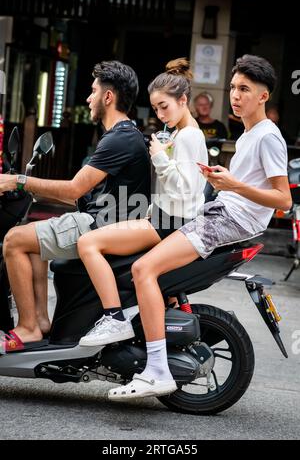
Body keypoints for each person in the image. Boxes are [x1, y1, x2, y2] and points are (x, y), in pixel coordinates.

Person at [106, 54, 292, 401]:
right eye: (233, 87)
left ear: (263, 96)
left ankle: (157, 370)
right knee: (149, 259)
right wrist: (222, 183)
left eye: (245, 89)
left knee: (143, 269)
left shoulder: (268, 136)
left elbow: (282, 200)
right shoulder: (250, 133)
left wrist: (233, 185)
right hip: (220, 211)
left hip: (228, 221)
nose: (235, 96)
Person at [0, 60, 151, 351]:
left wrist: (17, 181)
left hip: (100, 225)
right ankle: (40, 321)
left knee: (14, 240)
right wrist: (35, 189)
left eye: (93, 91)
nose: (88, 98)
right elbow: (79, 193)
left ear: (109, 97)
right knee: (33, 240)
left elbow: (74, 189)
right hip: (105, 219)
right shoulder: (125, 135)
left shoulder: (119, 139)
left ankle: (28, 327)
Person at [76, 57, 208, 347]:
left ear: (183, 100)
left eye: (165, 106)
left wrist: (159, 156)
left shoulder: (188, 137)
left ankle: (114, 319)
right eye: (157, 107)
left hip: (168, 225)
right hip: (162, 219)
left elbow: (185, 189)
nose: (160, 114)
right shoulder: (180, 133)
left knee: (88, 243)